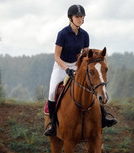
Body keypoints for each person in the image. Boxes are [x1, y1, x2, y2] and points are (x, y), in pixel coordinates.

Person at [45, 4, 117, 137]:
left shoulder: (85, 35)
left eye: (81, 17)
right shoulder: (62, 34)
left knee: (92, 86)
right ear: (70, 18)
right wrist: (66, 69)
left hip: (77, 66)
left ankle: (103, 118)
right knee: (51, 92)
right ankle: (53, 124)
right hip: (61, 66)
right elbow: (56, 56)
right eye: (77, 16)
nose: (80, 19)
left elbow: (85, 55)